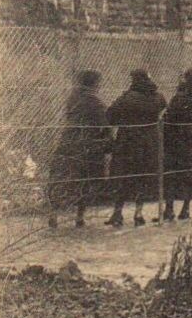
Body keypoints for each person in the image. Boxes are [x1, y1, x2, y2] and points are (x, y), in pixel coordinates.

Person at [47, 70, 109, 229]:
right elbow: (103, 126)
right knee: (85, 180)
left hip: (68, 142)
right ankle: (80, 217)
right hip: (87, 146)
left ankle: (53, 214)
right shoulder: (96, 103)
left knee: (62, 179)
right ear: (95, 84)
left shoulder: (72, 99)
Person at [104, 69, 165, 227]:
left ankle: (118, 213)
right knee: (143, 176)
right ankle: (139, 213)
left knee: (122, 176)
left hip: (128, 142)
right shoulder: (158, 97)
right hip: (149, 142)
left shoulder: (126, 98)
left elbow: (110, 115)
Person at [160, 67, 192, 221]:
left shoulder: (179, 97)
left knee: (172, 175)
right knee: (190, 176)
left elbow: (169, 118)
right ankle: (185, 209)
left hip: (176, 143)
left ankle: (169, 209)